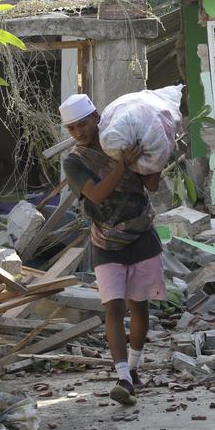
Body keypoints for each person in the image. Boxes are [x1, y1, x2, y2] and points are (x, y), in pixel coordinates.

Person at [59, 94, 166, 406]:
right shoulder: (75, 161)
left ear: (96, 117)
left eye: (83, 123)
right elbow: (97, 195)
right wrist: (123, 165)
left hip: (142, 234)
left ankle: (133, 370)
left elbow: (152, 186)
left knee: (140, 306)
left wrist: (157, 154)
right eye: (72, 128)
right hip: (105, 240)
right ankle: (121, 376)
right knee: (113, 308)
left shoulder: (120, 141)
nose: (79, 132)